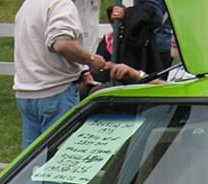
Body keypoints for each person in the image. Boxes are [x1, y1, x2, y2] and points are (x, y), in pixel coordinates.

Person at [13, 0, 137, 149]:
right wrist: (91, 60)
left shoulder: (29, 5)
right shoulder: (60, 4)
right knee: (58, 157)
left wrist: (81, 68)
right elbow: (61, 43)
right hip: (55, 92)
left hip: (26, 92)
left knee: (30, 159)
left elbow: (38, 46)